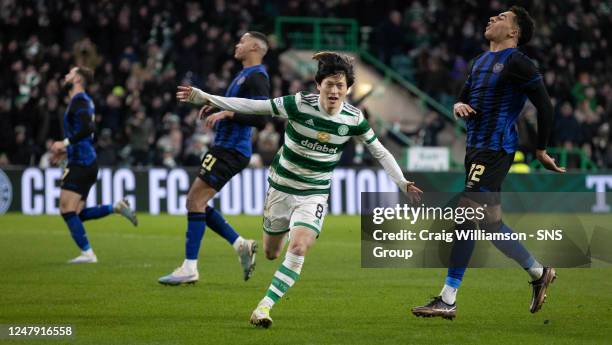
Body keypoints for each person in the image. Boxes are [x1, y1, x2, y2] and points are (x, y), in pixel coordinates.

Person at [176, 51, 423, 328]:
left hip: (314, 192)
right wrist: (206, 97)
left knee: (300, 246)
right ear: (319, 85)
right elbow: (254, 106)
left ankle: (264, 307)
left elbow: (380, 151)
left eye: (340, 86)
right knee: (272, 252)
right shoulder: (298, 104)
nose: (334, 90)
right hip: (281, 188)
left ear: (348, 90)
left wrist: (401, 182)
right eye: (329, 84)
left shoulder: (354, 119)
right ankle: (260, 250)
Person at [411, 6, 564, 320]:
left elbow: (545, 105)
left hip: (495, 150)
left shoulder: (518, 62)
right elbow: (463, 94)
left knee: (465, 213)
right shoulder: (479, 61)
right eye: (494, 15)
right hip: (475, 149)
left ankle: (448, 298)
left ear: (514, 32)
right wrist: (458, 103)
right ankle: (539, 273)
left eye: (503, 18)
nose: (493, 18)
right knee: (490, 224)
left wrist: (540, 150)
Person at [158, 32, 271, 285]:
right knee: (196, 202)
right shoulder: (243, 75)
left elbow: (262, 118)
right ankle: (241, 244)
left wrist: (228, 114)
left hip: (231, 149)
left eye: (241, 41)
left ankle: (190, 268)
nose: (237, 44)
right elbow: (240, 107)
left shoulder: (257, 77)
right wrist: (219, 108)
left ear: (254, 47)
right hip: (225, 147)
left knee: (194, 201)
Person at [50, 66, 137, 264]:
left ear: (78, 79)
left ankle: (88, 253)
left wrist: (64, 144)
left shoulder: (79, 100)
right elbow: (86, 134)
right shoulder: (84, 101)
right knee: (76, 213)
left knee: (66, 209)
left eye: (70, 73)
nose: (66, 75)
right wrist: (65, 150)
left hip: (81, 162)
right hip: (86, 160)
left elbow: (89, 127)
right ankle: (115, 207)